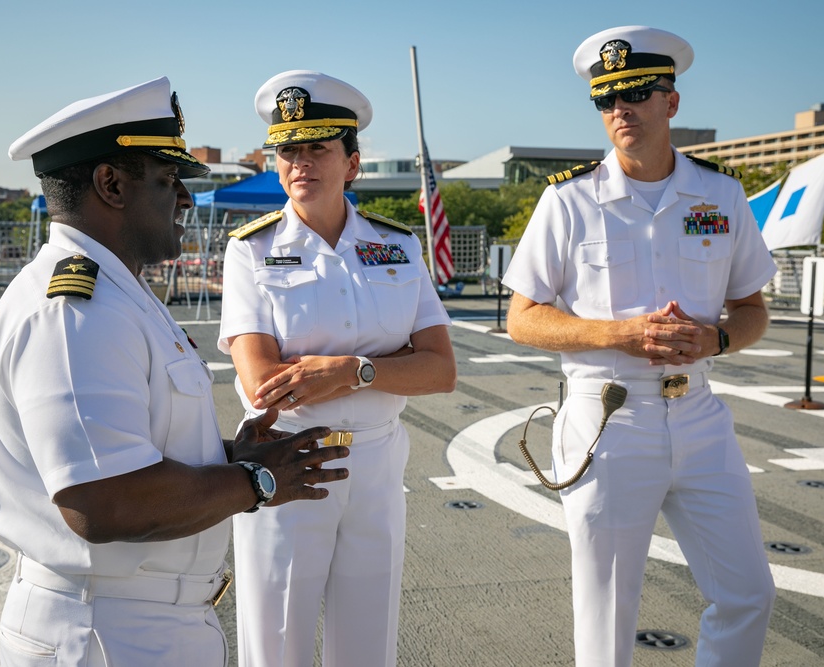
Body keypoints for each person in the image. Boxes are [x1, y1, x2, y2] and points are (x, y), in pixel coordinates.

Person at [0, 76, 349, 667]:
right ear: (111, 184)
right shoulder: (78, 312)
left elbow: (132, 452)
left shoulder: (118, 295)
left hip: (135, 621)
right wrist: (257, 482)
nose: (185, 199)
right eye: (168, 180)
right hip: (109, 630)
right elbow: (102, 502)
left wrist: (230, 457)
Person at [502, 27, 777, 667]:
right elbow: (523, 318)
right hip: (609, 417)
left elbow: (754, 309)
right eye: (607, 101)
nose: (619, 111)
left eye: (636, 95)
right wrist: (619, 334)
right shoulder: (568, 199)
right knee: (606, 612)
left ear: (671, 103)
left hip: (701, 416)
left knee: (747, 593)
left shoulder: (720, 194)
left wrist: (718, 337)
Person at [217, 70, 457, 667]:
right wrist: (394, 361)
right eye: (288, 150)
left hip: (376, 464)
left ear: (351, 164)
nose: (301, 163)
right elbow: (263, 385)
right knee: (277, 647)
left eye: (318, 148)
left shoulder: (396, 246)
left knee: (369, 645)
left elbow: (441, 370)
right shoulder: (250, 250)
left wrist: (352, 371)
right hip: (287, 461)